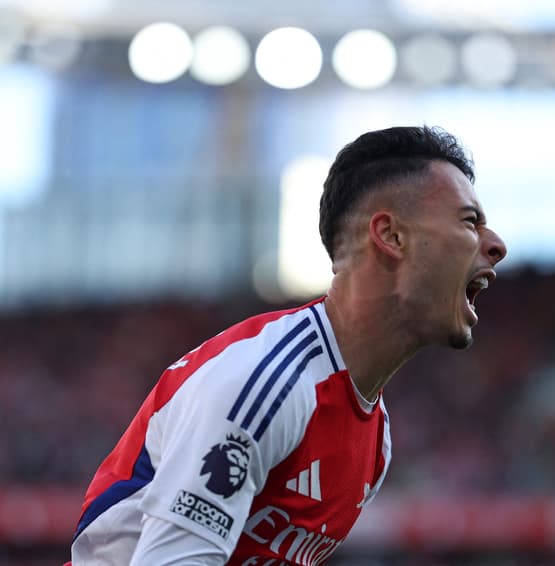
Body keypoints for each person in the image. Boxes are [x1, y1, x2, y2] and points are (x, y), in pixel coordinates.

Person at [69, 125, 507, 565]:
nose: (496, 246)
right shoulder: (264, 385)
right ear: (391, 236)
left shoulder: (375, 440)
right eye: (470, 221)